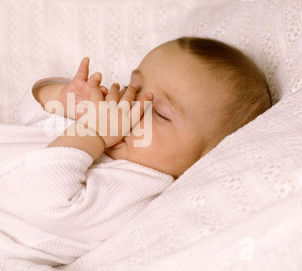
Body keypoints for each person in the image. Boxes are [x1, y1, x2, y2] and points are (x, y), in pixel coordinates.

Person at [17, 36, 272, 247]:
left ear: (205, 160)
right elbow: (25, 120)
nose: (129, 104)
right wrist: (63, 99)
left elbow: (46, 206)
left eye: (159, 113)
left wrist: (91, 133)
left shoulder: (136, 189)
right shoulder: (102, 126)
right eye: (133, 86)